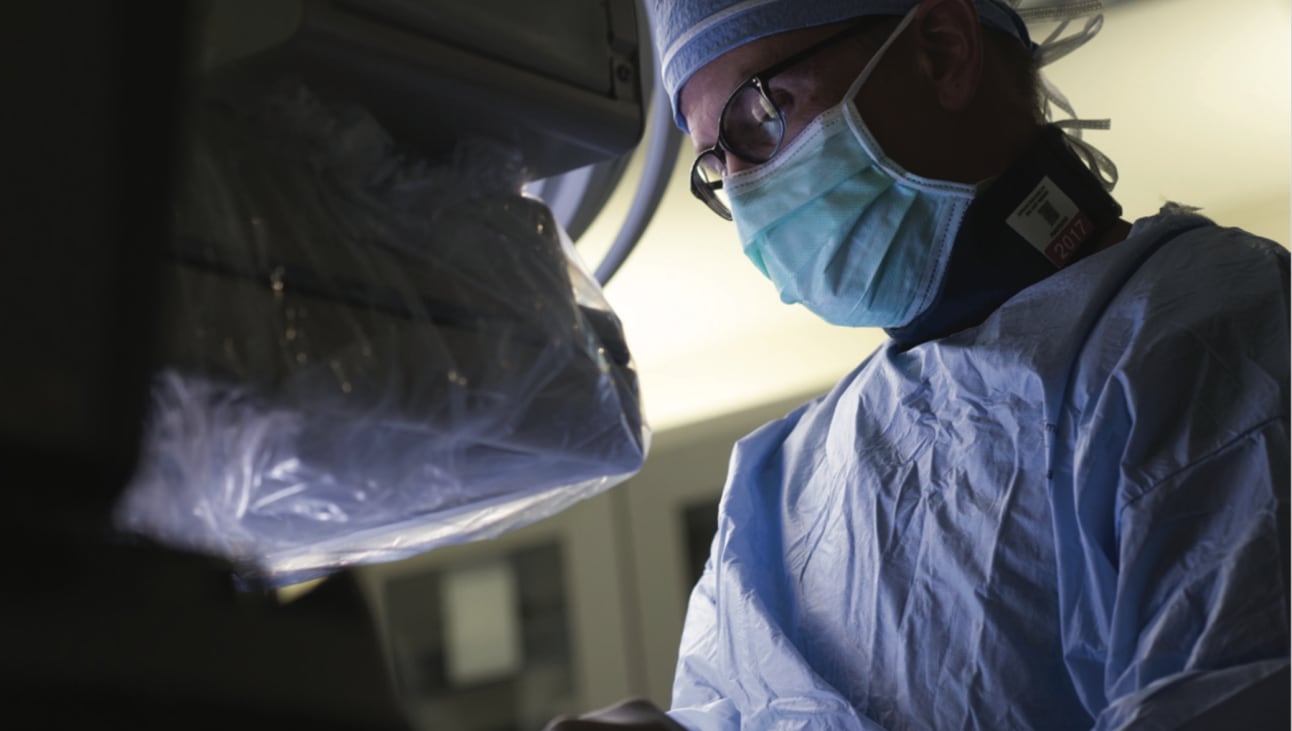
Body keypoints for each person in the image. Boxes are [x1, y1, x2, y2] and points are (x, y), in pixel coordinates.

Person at [545, 0, 1289, 728]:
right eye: (717, 160)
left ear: (940, 50)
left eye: (761, 114)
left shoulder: (1208, 331)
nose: (743, 192)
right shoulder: (777, 488)